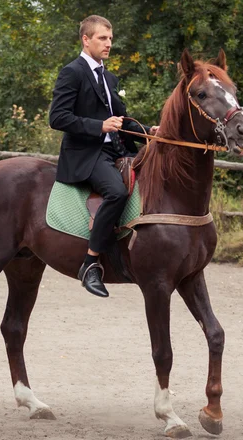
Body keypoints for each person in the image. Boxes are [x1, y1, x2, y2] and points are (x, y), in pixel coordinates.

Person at [49, 15, 159, 298]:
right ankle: (90, 263)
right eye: (102, 38)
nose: (108, 44)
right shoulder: (72, 72)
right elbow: (58, 117)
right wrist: (99, 126)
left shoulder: (109, 77)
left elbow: (121, 120)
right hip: (86, 153)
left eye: (110, 39)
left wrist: (149, 131)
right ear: (86, 40)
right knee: (117, 192)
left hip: (117, 150)